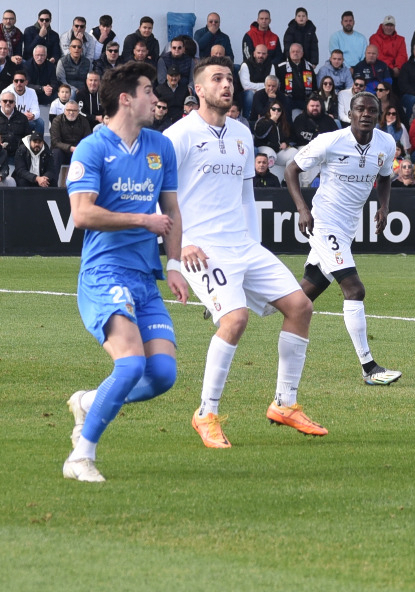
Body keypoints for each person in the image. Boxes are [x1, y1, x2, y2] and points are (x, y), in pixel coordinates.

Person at [166, 57, 327, 449]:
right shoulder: (178, 135)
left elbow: (245, 196)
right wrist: (177, 251)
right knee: (235, 320)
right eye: (216, 79)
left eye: (228, 78)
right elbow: (160, 197)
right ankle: (206, 413)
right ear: (198, 90)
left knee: (300, 307)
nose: (226, 85)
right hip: (201, 248)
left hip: (241, 243)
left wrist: (253, 243)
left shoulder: (241, 134)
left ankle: (284, 404)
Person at [60, 61, 186, 483]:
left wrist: (175, 263)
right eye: (149, 90)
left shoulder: (159, 146)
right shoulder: (92, 148)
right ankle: (80, 456)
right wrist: (140, 221)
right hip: (103, 273)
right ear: (127, 99)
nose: (157, 98)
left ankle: (90, 401)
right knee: (131, 366)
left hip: (143, 276)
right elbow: (81, 214)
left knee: (163, 376)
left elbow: (170, 209)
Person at [283, 91, 402, 386]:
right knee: (355, 289)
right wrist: (302, 208)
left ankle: (231, 297)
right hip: (324, 224)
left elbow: (385, 175)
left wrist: (384, 206)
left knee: (299, 298)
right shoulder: (330, 141)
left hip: (347, 228)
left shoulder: (386, 143)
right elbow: (291, 169)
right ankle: (369, 368)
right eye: (359, 109)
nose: (365, 114)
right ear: (349, 114)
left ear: (379, 114)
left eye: (371, 110)